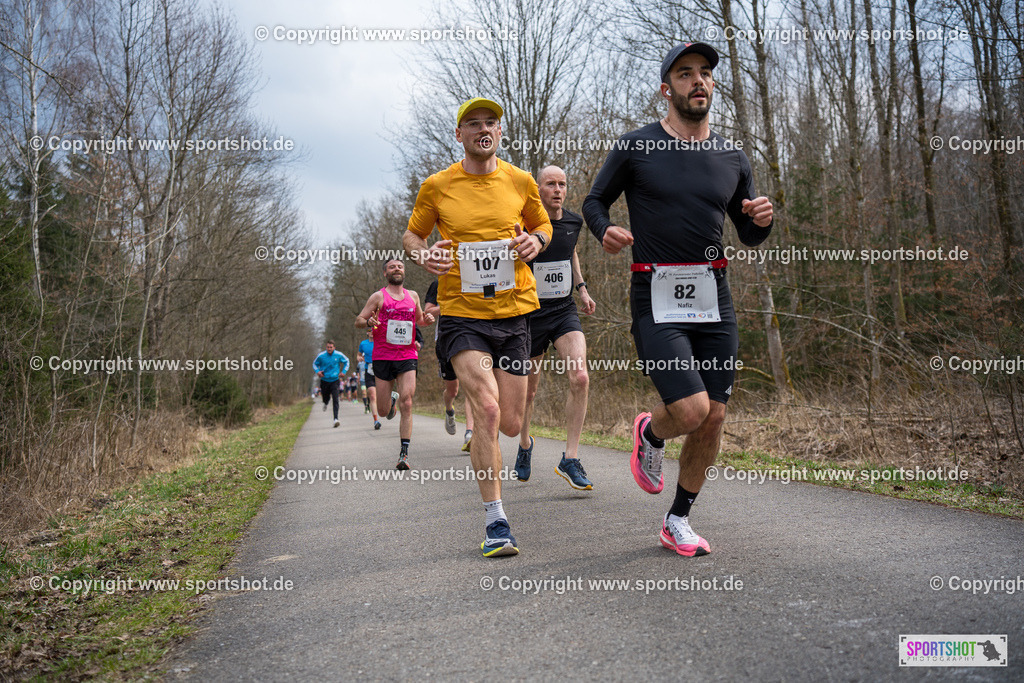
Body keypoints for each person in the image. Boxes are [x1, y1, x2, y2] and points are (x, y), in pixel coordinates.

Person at [583, 43, 773, 557]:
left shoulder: (732, 157)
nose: (699, 81)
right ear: (667, 88)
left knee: (714, 416)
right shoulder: (637, 146)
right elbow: (594, 200)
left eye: (706, 73)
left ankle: (677, 520)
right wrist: (604, 230)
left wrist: (762, 221)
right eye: (686, 73)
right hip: (656, 292)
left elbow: (747, 231)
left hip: (714, 294)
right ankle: (651, 433)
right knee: (688, 410)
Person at [403, 97, 552, 557]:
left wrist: (536, 240)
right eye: (473, 124)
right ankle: (496, 521)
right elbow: (412, 235)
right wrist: (422, 254)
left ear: (500, 133)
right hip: (462, 315)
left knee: (509, 421)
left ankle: (500, 489)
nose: (483, 129)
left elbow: (543, 225)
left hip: (514, 313)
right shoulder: (438, 186)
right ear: (460, 135)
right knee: (486, 412)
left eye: (491, 123)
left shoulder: (521, 181)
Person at [515, 165, 597, 490]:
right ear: (538, 189)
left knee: (580, 376)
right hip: (531, 315)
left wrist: (582, 288)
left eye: (562, 183)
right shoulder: (524, 224)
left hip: (564, 311)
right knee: (529, 391)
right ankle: (524, 444)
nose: (558, 189)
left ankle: (570, 458)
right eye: (551, 184)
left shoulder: (574, 222)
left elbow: (571, 252)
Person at [355, 259, 434, 470]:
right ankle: (390, 400)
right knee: (382, 411)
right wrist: (369, 321)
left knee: (407, 402)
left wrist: (427, 319)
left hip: (407, 355)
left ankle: (404, 454)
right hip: (382, 356)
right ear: (385, 273)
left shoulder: (413, 296)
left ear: (404, 272)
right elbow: (358, 320)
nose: (396, 269)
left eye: (400, 266)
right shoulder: (378, 297)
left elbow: (420, 321)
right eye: (392, 267)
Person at [424, 279, 475, 449]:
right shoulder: (438, 283)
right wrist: (451, 304)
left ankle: (470, 433)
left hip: (472, 337)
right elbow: (428, 311)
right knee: (453, 389)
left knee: (471, 387)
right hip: (445, 339)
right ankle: (449, 409)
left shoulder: (474, 276)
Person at [313, 340, 350, 428]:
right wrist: (318, 372)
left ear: (334, 347)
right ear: (326, 347)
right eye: (328, 347)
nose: (329, 349)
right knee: (325, 397)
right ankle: (325, 403)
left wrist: (344, 371)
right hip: (324, 380)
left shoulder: (339, 355)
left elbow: (347, 361)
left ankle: (336, 419)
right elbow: (314, 364)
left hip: (335, 380)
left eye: (331, 347)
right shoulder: (321, 356)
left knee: (335, 399)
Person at [358, 329, 381, 429]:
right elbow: (359, 354)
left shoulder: (380, 341)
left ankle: (391, 406)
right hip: (369, 371)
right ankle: (376, 420)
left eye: (374, 330)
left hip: (380, 371)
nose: (372, 332)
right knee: (372, 395)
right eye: (370, 330)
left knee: (383, 396)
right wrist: (359, 358)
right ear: (367, 332)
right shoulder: (363, 344)